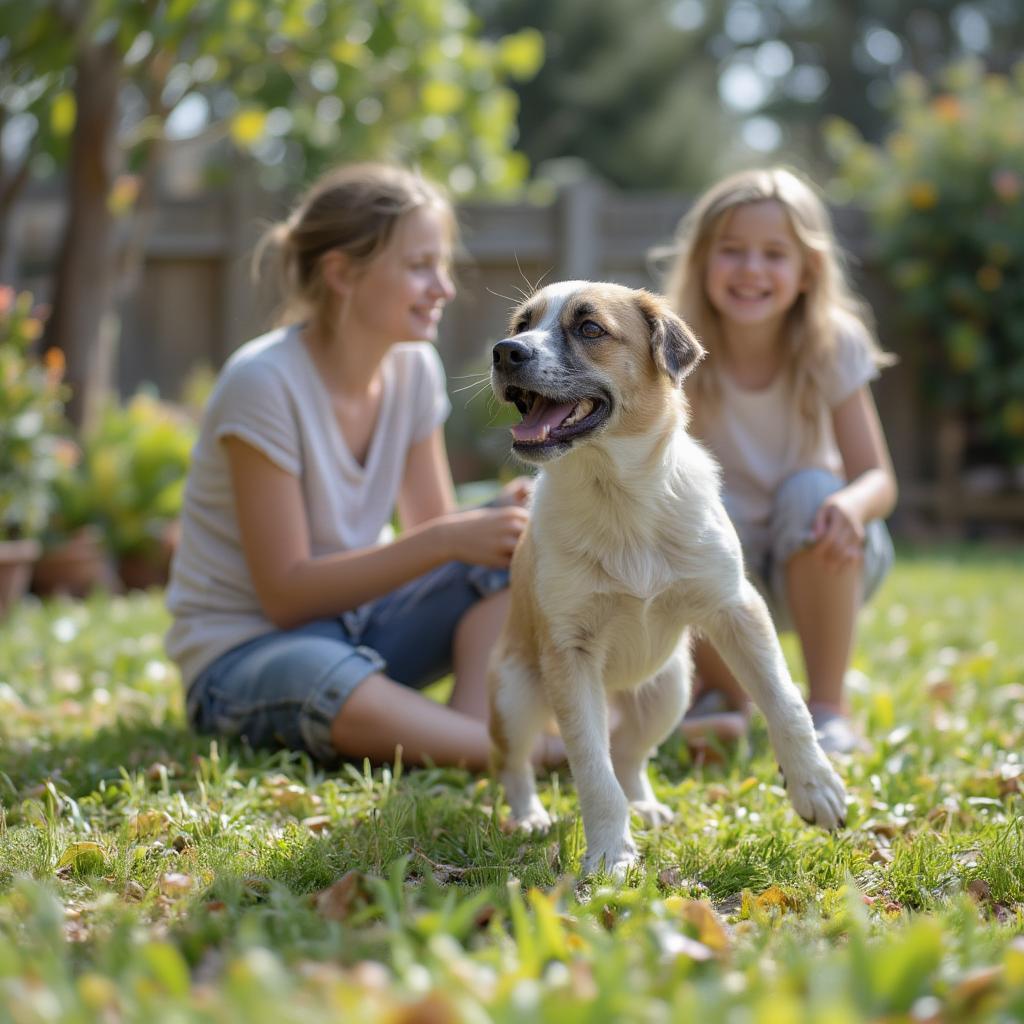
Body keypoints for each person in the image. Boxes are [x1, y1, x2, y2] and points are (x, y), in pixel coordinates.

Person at [165, 163, 560, 770]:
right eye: (420, 265)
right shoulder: (263, 383)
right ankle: (527, 754)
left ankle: (475, 736)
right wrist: (452, 536)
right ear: (343, 272)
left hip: (363, 629)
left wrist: (490, 527)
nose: (444, 287)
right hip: (251, 654)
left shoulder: (412, 368)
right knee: (317, 671)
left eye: (444, 264)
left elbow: (440, 542)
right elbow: (286, 597)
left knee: (506, 561)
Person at [660, 166, 898, 755]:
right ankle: (722, 694)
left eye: (773, 254)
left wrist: (850, 502)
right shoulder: (671, 344)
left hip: (817, 557)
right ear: (702, 260)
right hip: (721, 561)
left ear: (806, 270)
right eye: (732, 251)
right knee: (688, 513)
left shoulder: (831, 341)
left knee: (814, 489)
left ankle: (827, 709)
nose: (751, 271)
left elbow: (879, 478)